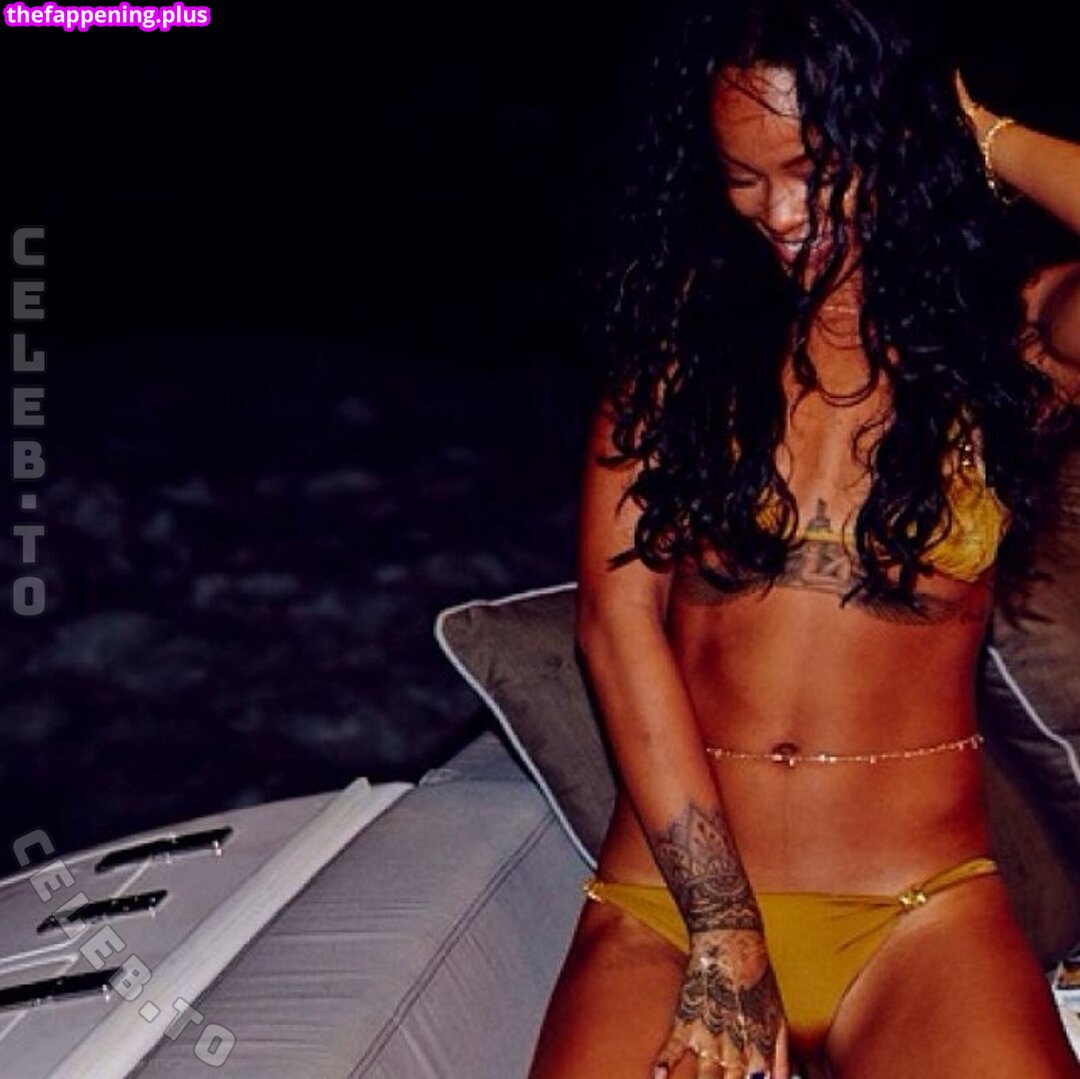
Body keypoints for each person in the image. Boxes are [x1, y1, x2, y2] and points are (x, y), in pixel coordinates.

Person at [528, 1, 1080, 1076]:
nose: (780, 212)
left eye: (813, 169)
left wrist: (977, 130)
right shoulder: (684, 349)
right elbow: (617, 623)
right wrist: (724, 927)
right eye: (744, 177)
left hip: (915, 915)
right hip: (673, 905)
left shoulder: (1011, 345)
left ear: (893, 139)